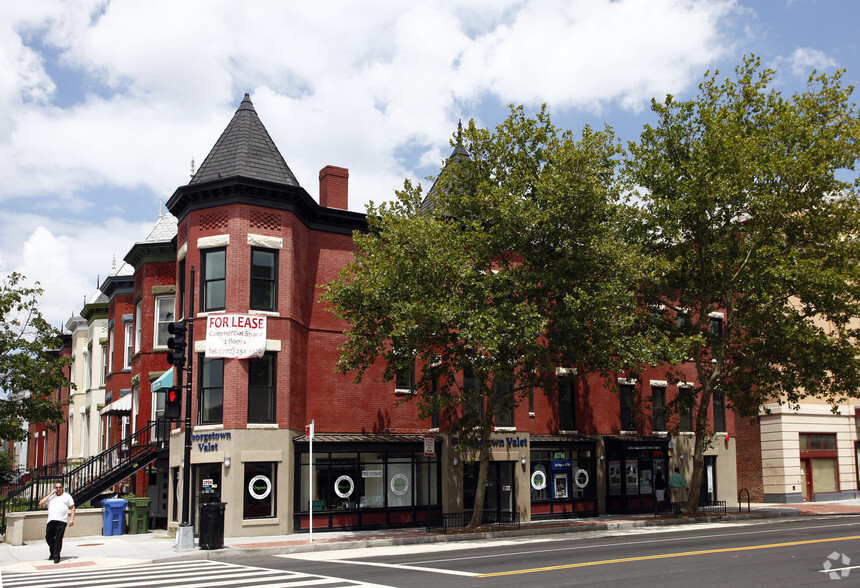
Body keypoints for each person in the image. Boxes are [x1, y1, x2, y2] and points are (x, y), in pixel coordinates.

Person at [39, 482, 75, 564]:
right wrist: (50, 494)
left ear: (62, 488)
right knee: (48, 537)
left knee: (58, 539)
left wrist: (71, 519)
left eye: (59, 487)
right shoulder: (51, 497)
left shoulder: (67, 496)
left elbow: (72, 508)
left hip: (62, 521)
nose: (58, 489)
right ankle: (53, 551)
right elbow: (41, 503)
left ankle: (56, 556)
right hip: (51, 520)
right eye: (56, 487)